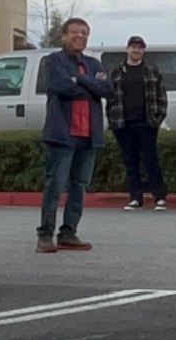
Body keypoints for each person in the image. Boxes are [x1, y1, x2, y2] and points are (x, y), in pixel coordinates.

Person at [36, 18, 112, 252]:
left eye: (84, 33)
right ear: (64, 36)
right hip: (63, 135)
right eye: (74, 32)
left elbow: (107, 89)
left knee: (79, 186)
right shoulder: (53, 61)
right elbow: (61, 87)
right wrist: (91, 85)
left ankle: (68, 232)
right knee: (55, 186)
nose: (79, 36)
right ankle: (45, 235)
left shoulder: (93, 63)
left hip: (89, 135)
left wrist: (79, 79)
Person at [110, 36, 169, 210]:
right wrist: (113, 121)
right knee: (131, 162)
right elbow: (111, 98)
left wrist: (158, 118)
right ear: (127, 49)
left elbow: (161, 96)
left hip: (147, 123)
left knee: (151, 160)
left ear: (143, 51)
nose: (136, 50)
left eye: (139, 48)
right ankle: (135, 197)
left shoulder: (152, 71)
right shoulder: (117, 72)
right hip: (124, 124)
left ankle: (159, 197)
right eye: (133, 47)